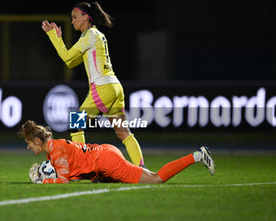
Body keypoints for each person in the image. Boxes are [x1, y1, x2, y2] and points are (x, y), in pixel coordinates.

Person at [41, 1, 145, 167]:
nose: (73, 21)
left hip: (102, 87)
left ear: (86, 17)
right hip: (115, 87)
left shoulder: (89, 36)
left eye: (75, 17)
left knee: (76, 124)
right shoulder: (96, 35)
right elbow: (71, 62)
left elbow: (67, 57)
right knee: (123, 132)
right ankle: (142, 168)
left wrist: (53, 36)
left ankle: (83, 166)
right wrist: (59, 39)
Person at [19, 120, 215, 184]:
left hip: (106, 161)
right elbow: (74, 174)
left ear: (37, 140)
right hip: (102, 157)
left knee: (155, 179)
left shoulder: (57, 151)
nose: (28, 147)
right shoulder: (54, 150)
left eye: (29, 143)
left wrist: (42, 180)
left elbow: (63, 180)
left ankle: (198, 155)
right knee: (97, 183)